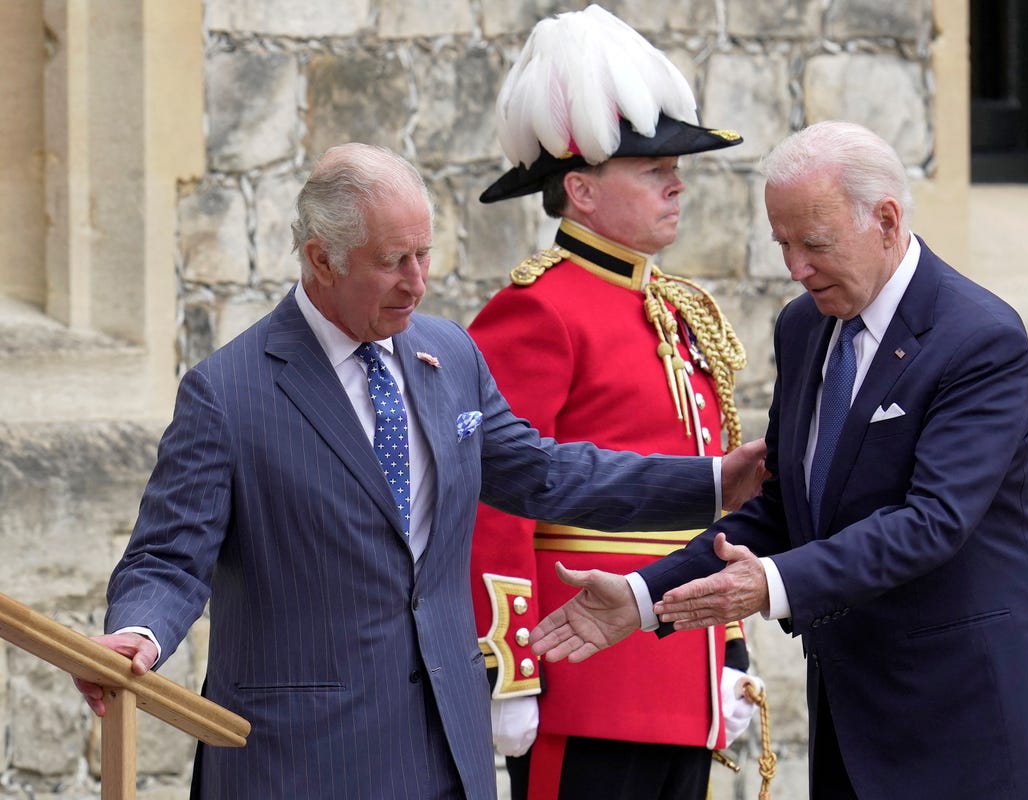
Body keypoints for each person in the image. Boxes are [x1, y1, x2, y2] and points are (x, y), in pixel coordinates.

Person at [72, 142, 766, 799]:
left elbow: (544, 475)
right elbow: (168, 555)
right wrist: (139, 634)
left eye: (424, 254)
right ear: (321, 259)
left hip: (446, 744)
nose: (416, 282)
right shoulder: (227, 393)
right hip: (299, 757)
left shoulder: (448, 355)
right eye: (392, 261)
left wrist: (711, 482)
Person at [531, 120, 1028, 800]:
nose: (795, 268)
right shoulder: (804, 325)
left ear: (886, 220)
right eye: (782, 243)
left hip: (963, 719)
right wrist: (642, 597)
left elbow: (933, 521)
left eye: (813, 244)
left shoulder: (979, 339)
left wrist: (771, 585)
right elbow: (785, 508)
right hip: (851, 714)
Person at [466, 7, 763, 800]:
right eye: (652, 167)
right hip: (587, 679)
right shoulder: (538, 308)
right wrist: (510, 668)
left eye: (675, 163)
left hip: (681, 667)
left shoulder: (676, 306)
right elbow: (497, 500)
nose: (677, 180)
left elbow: (713, 508)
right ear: (581, 190)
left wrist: (728, 650)